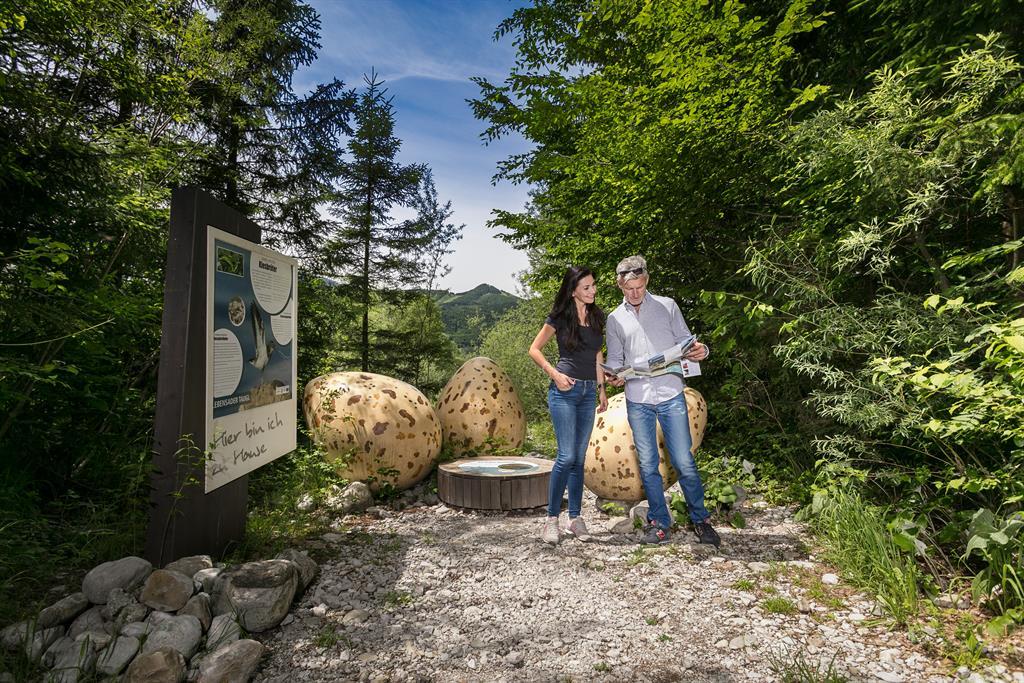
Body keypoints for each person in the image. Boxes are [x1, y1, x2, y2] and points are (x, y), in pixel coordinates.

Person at [604, 255, 720, 547]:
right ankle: (659, 524)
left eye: (640, 287)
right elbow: (615, 359)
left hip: (670, 394)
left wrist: (701, 350)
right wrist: (613, 374)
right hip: (637, 398)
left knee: (684, 460)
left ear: (646, 281)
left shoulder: (667, 306)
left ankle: (701, 521)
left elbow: (687, 342)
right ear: (620, 286)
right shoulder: (614, 319)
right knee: (648, 464)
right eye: (629, 288)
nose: (635, 294)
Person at [529, 266, 608, 545]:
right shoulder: (560, 317)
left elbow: (598, 355)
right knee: (566, 456)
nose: (593, 290)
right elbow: (534, 349)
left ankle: (575, 519)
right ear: (573, 290)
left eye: (593, 285)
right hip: (564, 392)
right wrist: (555, 374)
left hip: (588, 393)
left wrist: (602, 389)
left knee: (579, 459)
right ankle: (551, 520)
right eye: (586, 287)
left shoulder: (597, 316)